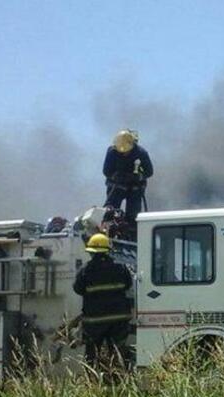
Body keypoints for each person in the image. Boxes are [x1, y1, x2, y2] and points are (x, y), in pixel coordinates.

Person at [73, 233, 133, 378]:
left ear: (91, 253)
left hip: (95, 321)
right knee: (118, 352)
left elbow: (77, 289)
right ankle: (119, 381)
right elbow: (128, 284)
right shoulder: (121, 268)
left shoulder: (86, 271)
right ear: (108, 250)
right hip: (118, 319)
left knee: (93, 353)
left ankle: (94, 381)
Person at [103, 129, 153, 224]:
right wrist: (116, 177)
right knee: (110, 209)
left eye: (126, 151)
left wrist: (137, 177)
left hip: (135, 187)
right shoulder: (111, 152)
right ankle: (109, 225)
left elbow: (149, 172)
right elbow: (106, 171)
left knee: (133, 215)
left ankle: (131, 230)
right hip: (117, 185)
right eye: (120, 152)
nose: (123, 154)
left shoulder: (141, 153)